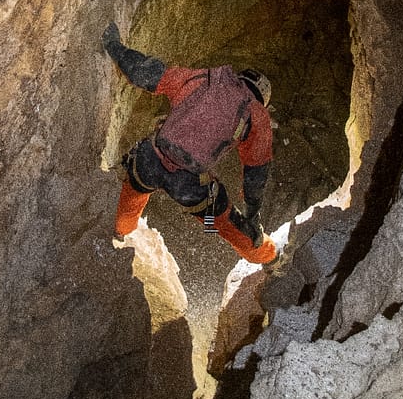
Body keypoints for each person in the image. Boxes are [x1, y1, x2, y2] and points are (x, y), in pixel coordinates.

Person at [102, 22, 277, 264]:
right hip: (189, 186)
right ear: (261, 99)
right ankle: (268, 259)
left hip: (150, 160)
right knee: (226, 223)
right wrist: (252, 211)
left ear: (240, 77)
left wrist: (114, 46)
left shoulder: (205, 79)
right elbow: (255, 173)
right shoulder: (255, 114)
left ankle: (120, 234)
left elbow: (146, 73)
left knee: (135, 190)